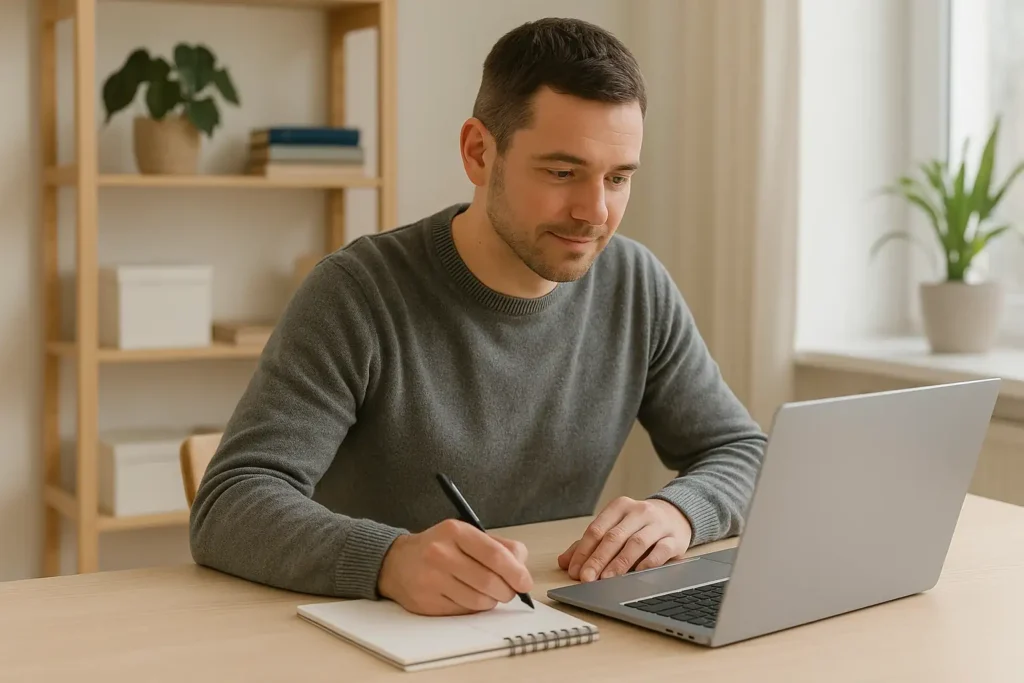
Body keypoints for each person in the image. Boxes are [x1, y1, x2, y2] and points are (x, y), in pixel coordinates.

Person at [189, 16, 767, 617]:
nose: (594, 212)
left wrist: (680, 512)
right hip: (379, 634)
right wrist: (389, 560)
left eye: (618, 178)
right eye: (563, 173)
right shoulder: (358, 292)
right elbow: (230, 503)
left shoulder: (636, 285)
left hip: (548, 623)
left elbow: (743, 451)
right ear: (478, 152)